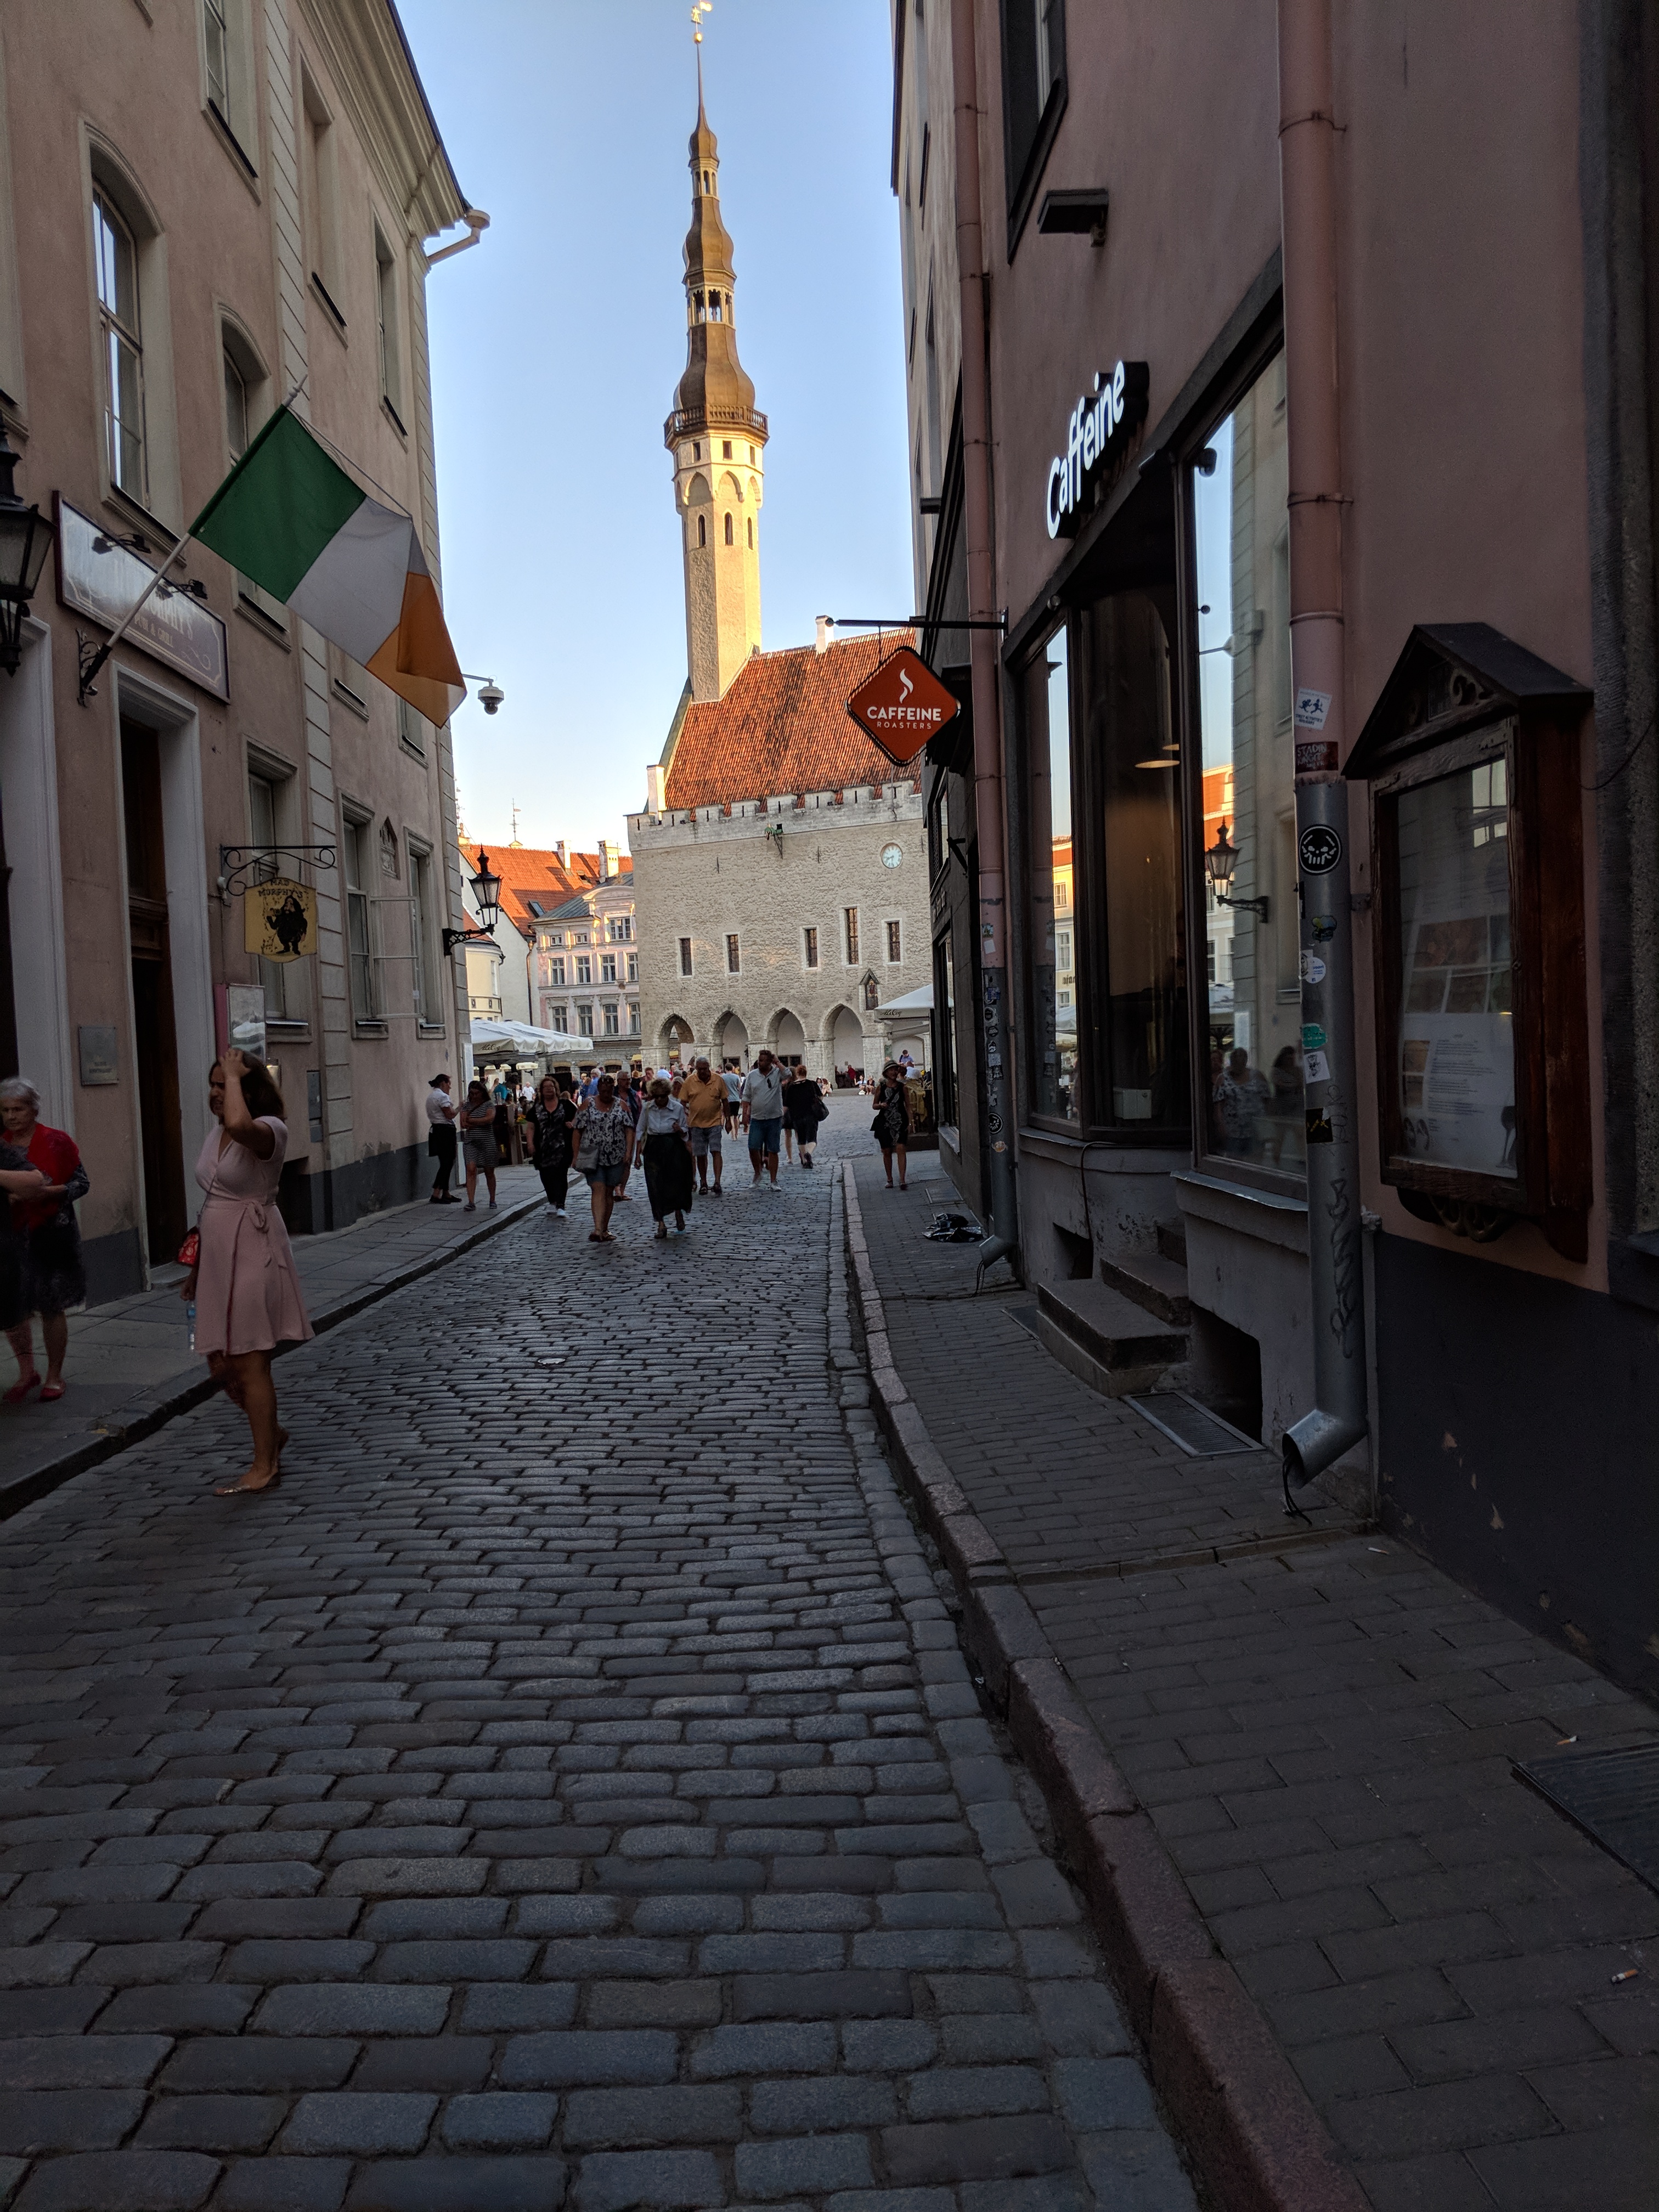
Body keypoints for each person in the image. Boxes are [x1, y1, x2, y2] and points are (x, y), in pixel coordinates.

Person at [184, 1048, 313, 1494]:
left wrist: (237, 1075)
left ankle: (264, 1464)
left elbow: (242, 1126)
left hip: (254, 1252)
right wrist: (197, 1269)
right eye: (213, 1085)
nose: (216, 1093)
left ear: (249, 1089)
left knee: (250, 1361)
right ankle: (272, 1433)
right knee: (221, 1364)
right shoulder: (216, 1132)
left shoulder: (269, 1130)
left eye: (225, 1085)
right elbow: (213, 1200)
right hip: (219, 1257)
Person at [1, 1078, 86, 1405]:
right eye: (6, 1110)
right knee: (15, 1307)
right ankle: (27, 1372)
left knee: (51, 1305)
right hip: (13, 1236)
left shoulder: (55, 1141)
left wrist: (46, 1193)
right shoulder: (3, 1146)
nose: (11, 1116)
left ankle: (54, 1374)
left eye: (18, 1109)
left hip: (52, 1234)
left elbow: (81, 1183)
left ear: (33, 1110)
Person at [574, 1073, 635, 1243]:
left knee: (608, 1191)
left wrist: (629, 1153)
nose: (606, 1093)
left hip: (615, 1156)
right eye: (603, 1090)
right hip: (592, 1155)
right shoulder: (588, 1104)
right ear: (599, 1089)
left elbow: (629, 1129)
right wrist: (576, 1155)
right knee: (598, 1188)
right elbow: (577, 1130)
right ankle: (598, 1229)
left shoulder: (621, 1105)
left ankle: (604, 1228)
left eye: (609, 1090)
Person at [638, 1075, 695, 1237]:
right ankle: (661, 1224)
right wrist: (637, 1155)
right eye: (656, 1096)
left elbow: (685, 1131)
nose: (660, 1100)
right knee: (655, 1185)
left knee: (675, 1182)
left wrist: (680, 1130)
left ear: (668, 1094)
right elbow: (640, 1130)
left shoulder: (677, 1108)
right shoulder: (647, 1108)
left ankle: (678, 1212)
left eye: (663, 1096)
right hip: (654, 1147)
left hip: (673, 1146)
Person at [528, 1072, 577, 1216]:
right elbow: (531, 1127)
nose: (549, 1089)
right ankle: (552, 1201)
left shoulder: (565, 1105)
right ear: (542, 1090)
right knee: (546, 1175)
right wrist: (530, 1144)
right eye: (546, 1087)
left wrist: (572, 1123)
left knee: (561, 1174)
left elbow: (579, 1115)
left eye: (552, 1087)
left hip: (563, 1147)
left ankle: (561, 1204)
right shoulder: (537, 1108)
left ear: (556, 1089)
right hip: (543, 1148)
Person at [679, 1055, 727, 1197]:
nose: (702, 1072)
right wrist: (685, 1118)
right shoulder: (690, 1081)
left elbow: (725, 1100)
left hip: (715, 1122)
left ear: (709, 1068)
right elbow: (682, 1102)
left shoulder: (718, 1079)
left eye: (705, 1069)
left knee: (716, 1150)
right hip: (696, 1124)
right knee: (701, 1154)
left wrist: (728, 1120)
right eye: (699, 1069)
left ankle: (717, 1182)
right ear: (696, 1069)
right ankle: (704, 1182)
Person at [742, 1048, 787, 1189]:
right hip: (757, 1118)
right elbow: (746, 1095)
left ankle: (773, 1181)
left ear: (769, 1062)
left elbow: (788, 1074)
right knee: (753, 1147)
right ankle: (758, 1173)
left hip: (774, 1118)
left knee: (773, 1149)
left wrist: (777, 1062)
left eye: (763, 1060)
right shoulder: (752, 1075)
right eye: (759, 1060)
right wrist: (745, 1114)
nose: (760, 1063)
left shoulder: (777, 1073)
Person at [1214, 1046, 1271, 1156]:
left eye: (1241, 1061)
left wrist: (1267, 1124)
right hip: (1233, 1131)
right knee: (1234, 1159)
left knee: (1255, 1159)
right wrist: (1221, 1126)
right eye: (1235, 1061)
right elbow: (1218, 1106)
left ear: (1245, 1061)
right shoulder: (1223, 1079)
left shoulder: (1257, 1076)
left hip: (1255, 1129)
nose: (1238, 1064)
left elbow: (1267, 1100)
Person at [459, 1080, 499, 1211]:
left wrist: (473, 1121)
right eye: (472, 1094)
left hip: (487, 1142)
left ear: (482, 1093)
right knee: (471, 1169)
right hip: (471, 1142)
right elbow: (464, 1124)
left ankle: (492, 1199)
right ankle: (471, 1202)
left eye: (477, 1093)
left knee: (489, 1171)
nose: (474, 1096)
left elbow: (489, 1119)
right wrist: (478, 1122)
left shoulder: (489, 1104)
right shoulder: (467, 1106)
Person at [872, 1061, 911, 1189]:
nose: (894, 1072)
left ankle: (902, 1179)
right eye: (891, 1070)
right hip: (885, 1122)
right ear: (886, 1073)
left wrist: (911, 1122)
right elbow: (874, 1105)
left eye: (895, 1070)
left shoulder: (902, 1087)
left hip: (900, 1121)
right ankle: (890, 1179)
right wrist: (880, 1105)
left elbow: (908, 1106)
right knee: (887, 1151)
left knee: (901, 1148)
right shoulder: (881, 1088)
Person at [783, 1063, 827, 1170]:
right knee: (812, 1139)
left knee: (801, 1139)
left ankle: (805, 1160)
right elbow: (820, 1097)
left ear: (797, 1074)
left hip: (797, 1116)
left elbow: (786, 1105)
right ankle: (808, 1153)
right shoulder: (812, 1084)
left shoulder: (792, 1087)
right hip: (811, 1115)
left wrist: (781, 1116)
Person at [425, 1073, 459, 1203]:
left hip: (437, 1130)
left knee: (446, 1162)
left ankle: (446, 1192)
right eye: (449, 1084)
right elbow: (450, 1115)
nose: (450, 1087)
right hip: (445, 1131)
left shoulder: (432, 1096)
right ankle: (436, 1193)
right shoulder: (442, 1097)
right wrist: (460, 1107)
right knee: (447, 1163)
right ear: (443, 1083)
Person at [721, 1063, 742, 1137]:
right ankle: (737, 1133)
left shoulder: (723, 1077)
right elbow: (739, 1088)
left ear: (725, 1069)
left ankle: (733, 1135)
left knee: (730, 1117)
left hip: (728, 1099)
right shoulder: (736, 1077)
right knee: (736, 1117)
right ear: (732, 1069)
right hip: (736, 1099)